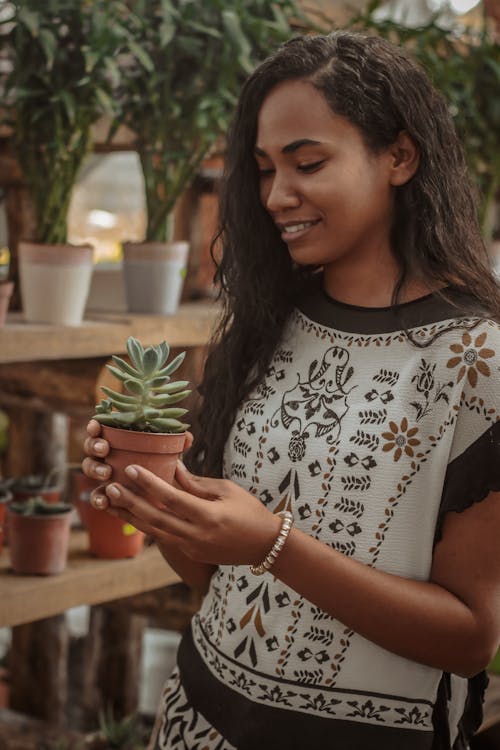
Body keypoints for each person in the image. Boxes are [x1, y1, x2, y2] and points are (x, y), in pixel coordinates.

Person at [82, 31, 500, 750]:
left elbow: (469, 639)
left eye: (308, 163)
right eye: (265, 169)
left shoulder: (476, 360)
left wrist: (274, 544)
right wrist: (152, 501)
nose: (277, 196)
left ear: (400, 156)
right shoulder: (268, 325)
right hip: (196, 721)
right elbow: (216, 578)